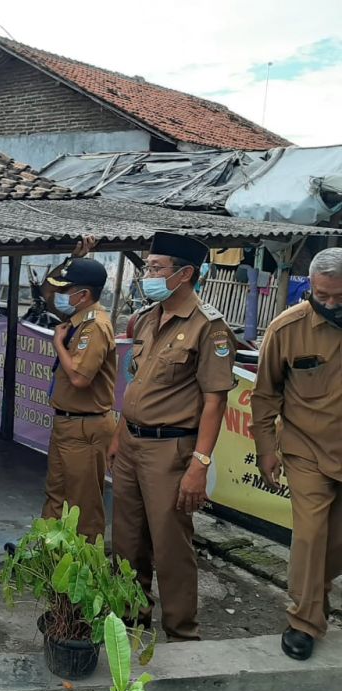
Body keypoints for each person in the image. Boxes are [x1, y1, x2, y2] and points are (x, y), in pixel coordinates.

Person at [108, 231, 235, 642]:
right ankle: (129, 622)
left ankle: (182, 633)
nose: (147, 274)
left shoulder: (209, 328)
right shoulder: (147, 317)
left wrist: (199, 464)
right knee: (127, 539)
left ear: (184, 274)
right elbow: (136, 382)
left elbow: (214, 403)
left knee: (170, 545)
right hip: (130, 442)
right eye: (147, 267)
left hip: (171, 449)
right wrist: (118, 432)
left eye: (156, 268)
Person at [251, 247, 342, 661]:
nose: (330, 305)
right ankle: (305, 621)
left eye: (339, 297)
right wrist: (266, 449)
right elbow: (265, 393)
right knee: (310, 536)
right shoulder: (287, 329)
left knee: (334, 542)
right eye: (322, 296)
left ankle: (314, 594)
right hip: (307, 449)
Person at [42, 257, 116, 540]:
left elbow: (79, 379)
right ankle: (50, 561)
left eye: (67, 290)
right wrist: (67, 260)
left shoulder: (94, 325)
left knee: (82, 506)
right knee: (55, 496)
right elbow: (47, 293)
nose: (60, 296)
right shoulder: (74, 319)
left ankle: (84, 572)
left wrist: (59, 345)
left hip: (85, 426)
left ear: (82, 295)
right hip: (66, 422)